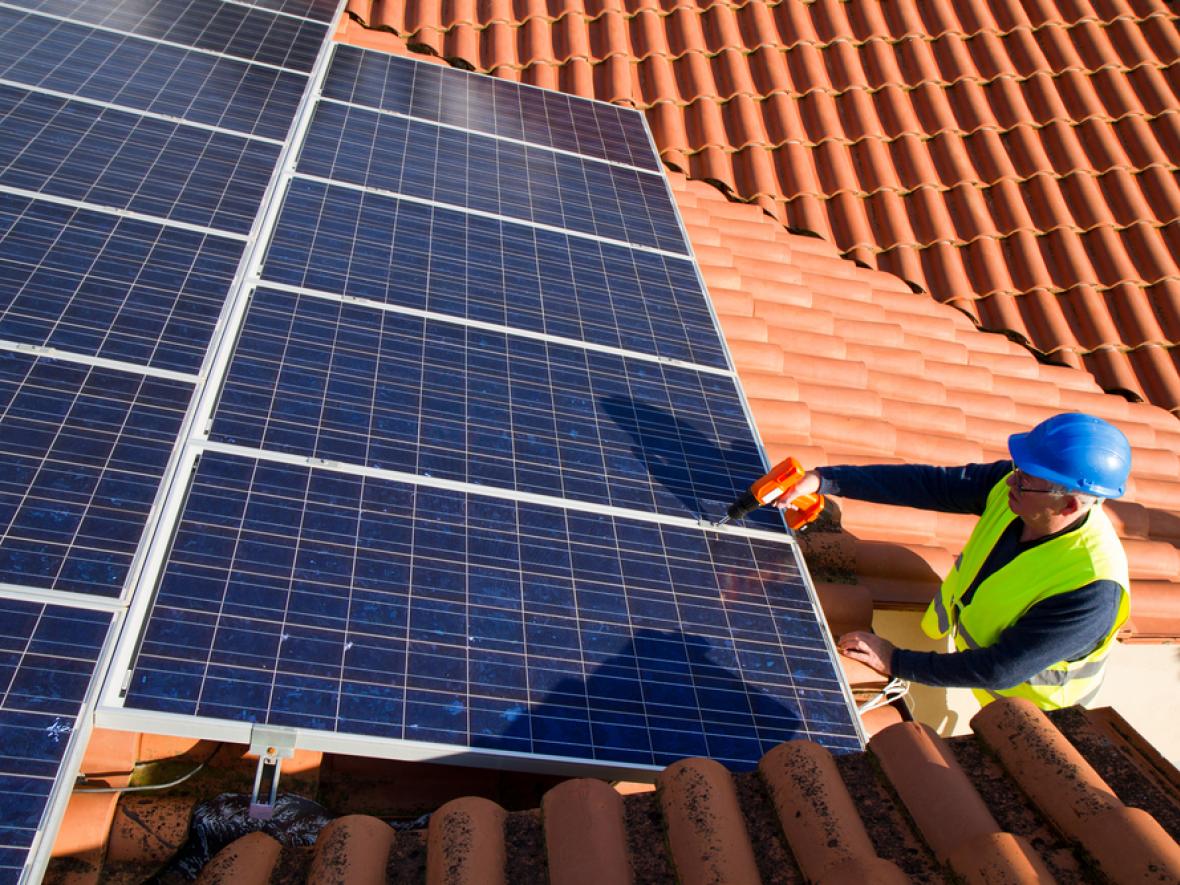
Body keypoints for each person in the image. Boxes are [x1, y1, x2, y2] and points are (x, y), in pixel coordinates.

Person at [780, 412, 1132, 710]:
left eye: (1025, 479)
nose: (1011, 479)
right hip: (983, 675)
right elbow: (930, 484)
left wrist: (895, 660)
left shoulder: (1091, 587)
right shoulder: (1016, 489)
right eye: (1017, 468)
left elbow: (1001, 669)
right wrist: (826, 480)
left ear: (1068, 505)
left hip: (1040, 714)